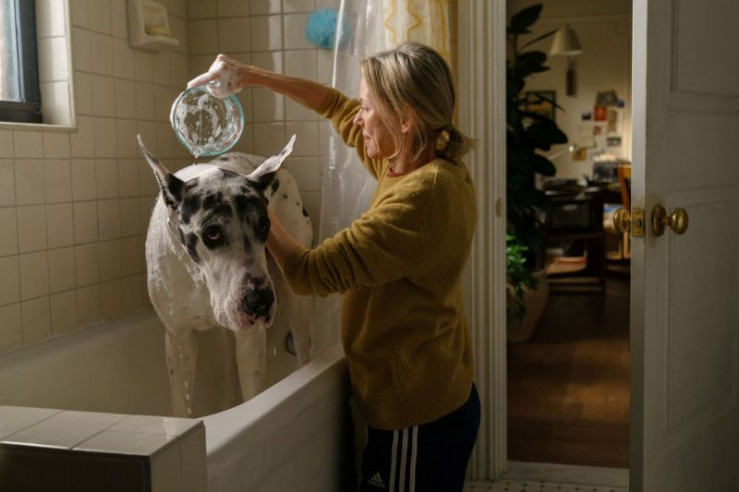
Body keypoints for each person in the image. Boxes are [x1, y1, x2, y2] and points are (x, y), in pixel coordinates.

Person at [189, 42, 480, 492]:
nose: (357, 118)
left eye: (368, 107)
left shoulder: (421, 199)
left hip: (417, 414)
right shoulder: (417, 161)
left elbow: (307, 274)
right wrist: (252, 75)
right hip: (429, 387)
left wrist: (251, 202)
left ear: (405, 120)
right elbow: (333, 104)